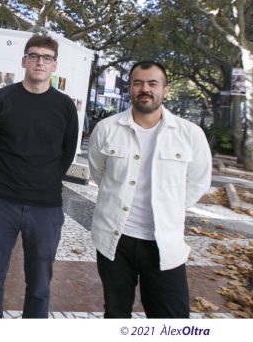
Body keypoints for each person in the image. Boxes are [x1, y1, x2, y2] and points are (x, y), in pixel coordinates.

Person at [88, 61, 212, 318]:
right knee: (115, 313)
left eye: (153, 83)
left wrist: (170, 206)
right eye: (138, 83)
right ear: (130, 89)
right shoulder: (107, 129)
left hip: (164, 243)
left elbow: (199, 181)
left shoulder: (190, 134)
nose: (145, 89)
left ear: (165, 90)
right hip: (115, 240)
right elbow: (99, 173)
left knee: (171, 318)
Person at [0, 35, 79, 318]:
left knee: (39, 285)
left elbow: (67, 152)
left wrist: (44, 179)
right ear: (24, 60)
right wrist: (5, 174)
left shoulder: (64, 106)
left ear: (54, 65)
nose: (40, 62)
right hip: (1, 201)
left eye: (47, 58)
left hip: (45, 207)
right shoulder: (2, 98)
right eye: (34, 56)